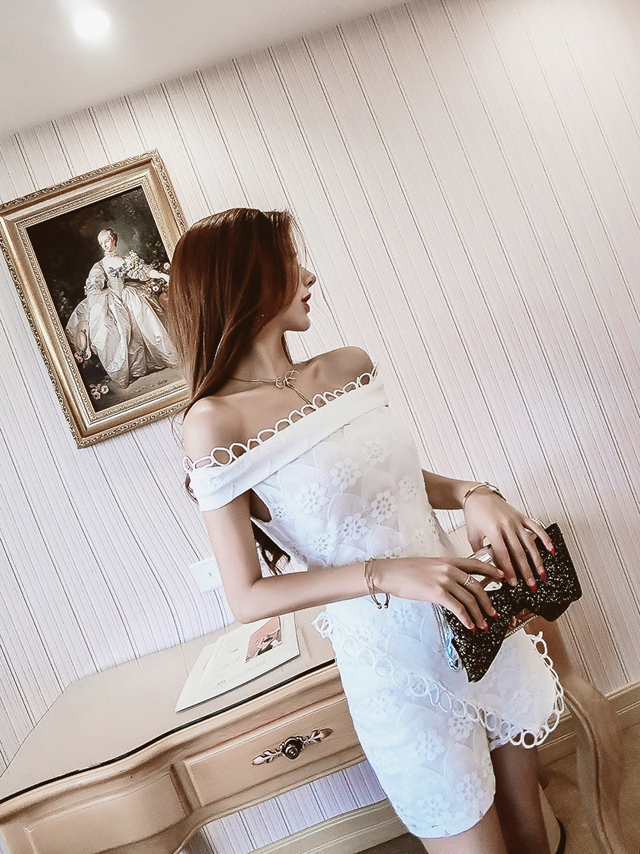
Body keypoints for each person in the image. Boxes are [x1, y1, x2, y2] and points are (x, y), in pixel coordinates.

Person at [167, 208, 564, 854]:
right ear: (247, 279)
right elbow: (247, 595)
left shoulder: (347, 367)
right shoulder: (215, 423)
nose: (309, 275)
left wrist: (473, 493)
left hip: (476, 623)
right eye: (289, 262)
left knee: (532, 834)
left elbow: (395, 479)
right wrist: (386, 574)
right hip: (394, 667)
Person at [65, 228, 178, 388]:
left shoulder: (126, 260)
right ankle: (130, 370)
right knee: (117, 332)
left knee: (143, 324)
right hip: (111, 300)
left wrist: (161, 275)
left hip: (128, 296)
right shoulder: (100, 265)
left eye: (107, 241)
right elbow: (93, 286)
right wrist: (97, 302)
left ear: (114, 240)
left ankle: (149, 363)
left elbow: (144, 272)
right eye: (101, 243)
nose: (105, 245)